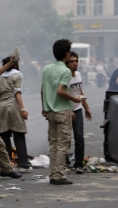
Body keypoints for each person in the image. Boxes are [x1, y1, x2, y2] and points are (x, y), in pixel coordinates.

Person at [41, 39, 81, 185]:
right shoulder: (65, 71)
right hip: (62, 111)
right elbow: (60, 91)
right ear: (66, 53)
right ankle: (58, 174)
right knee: (63, 145)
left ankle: (53, 173)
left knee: (53, 144)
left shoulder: (46, 69)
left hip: (50, 111)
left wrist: (44, 107)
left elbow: (43, 89)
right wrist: (74, 99)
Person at [0, 56, 31, 173]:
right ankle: (23, 164)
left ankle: (6, 164)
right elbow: (17, 94)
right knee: (18, 134)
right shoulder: (17, 75)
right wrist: (23, 109)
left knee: (4, 135)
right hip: (14, 105)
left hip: (2, 106)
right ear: (13, 65)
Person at [66, 51, 92, 174]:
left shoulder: (79, 75)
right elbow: (61, 95)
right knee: (65, 139)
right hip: (66, 111)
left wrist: (86, 107)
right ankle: (65, 160)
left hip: (78, 109)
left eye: (76, 61)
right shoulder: (65, 77)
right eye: (71, 61)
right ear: (67, 63)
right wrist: (68, 110)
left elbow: (80, 91)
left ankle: (79, 165)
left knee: (79, 138)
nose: (74, 63)